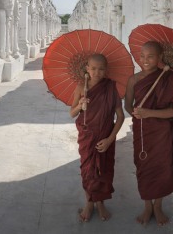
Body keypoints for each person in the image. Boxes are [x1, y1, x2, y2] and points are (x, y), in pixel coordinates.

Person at [124, 40, 173, 225]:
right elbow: (127, 104)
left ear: (160, 58)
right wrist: (134, 111)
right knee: (144, 167)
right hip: (142, 131)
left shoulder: (168, 78)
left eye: (150, 56)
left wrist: (149, 113)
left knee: (162, 168)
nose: (145, 60)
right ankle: (148, 205)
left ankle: (158, 206)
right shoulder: (134, 80)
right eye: (142, 56)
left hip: (162, 132)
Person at [69, 53, 125, 222]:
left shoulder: (110, 88)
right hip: (87, 137)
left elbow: (120, 116)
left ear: (106, 70)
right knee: (88, 171)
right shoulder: (80, 87)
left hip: (105, 138)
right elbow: (72, 113)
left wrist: (109, 139)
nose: (97, 72)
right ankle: (89, 203)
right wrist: (80, 104)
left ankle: (100, 203)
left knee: (104, 171)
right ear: (87, 69)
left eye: (101, 69)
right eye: (93, 68)